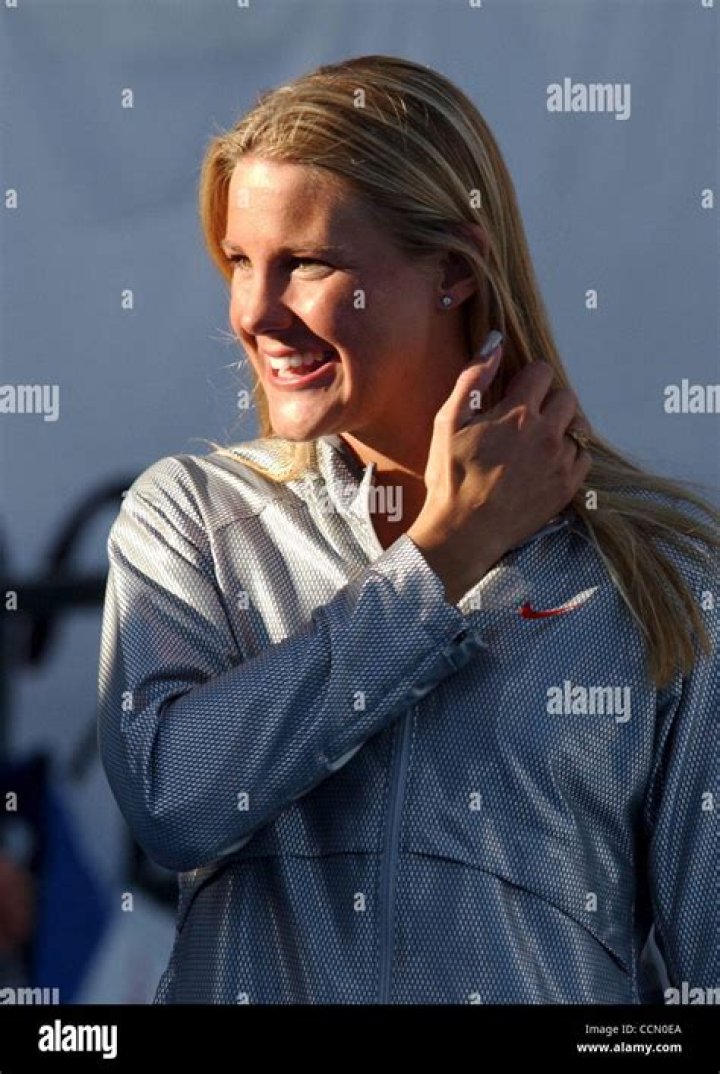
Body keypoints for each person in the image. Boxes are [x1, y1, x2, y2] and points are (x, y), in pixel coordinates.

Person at [97, 54, 718, 1004]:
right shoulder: (192, 518)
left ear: (454, 273)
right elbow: (174, 804)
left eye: (307, 263)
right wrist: (439, 559)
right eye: (240, 263)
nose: (255, 313)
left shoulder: (659, 578)